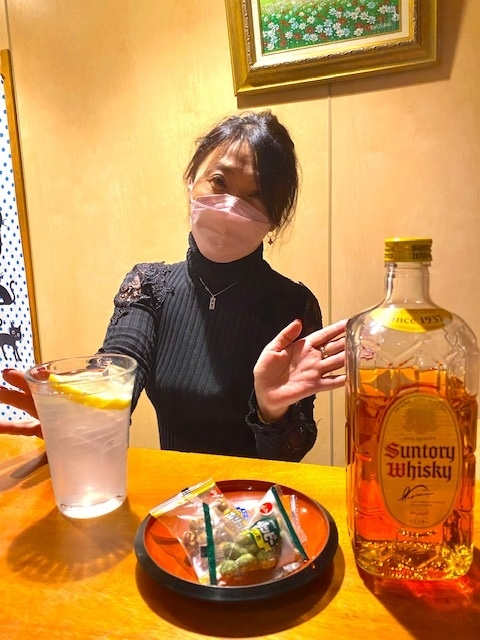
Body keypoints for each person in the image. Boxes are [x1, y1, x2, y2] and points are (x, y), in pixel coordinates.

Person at [0, 110, 346, 461]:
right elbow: (118, 369)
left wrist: (272, 411)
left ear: (274, 218)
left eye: (255, 195)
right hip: (177, 492)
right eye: (219, 181)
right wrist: (84, 412)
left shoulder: (292, 306)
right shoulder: (149, 286)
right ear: (190, 181)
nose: (230, 206)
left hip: (253, 493)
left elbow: (292, 452)